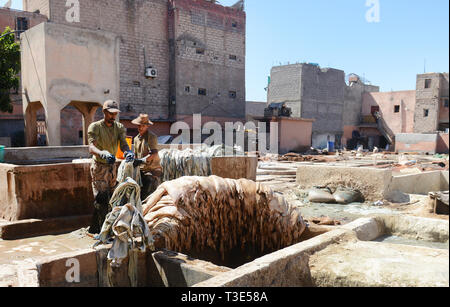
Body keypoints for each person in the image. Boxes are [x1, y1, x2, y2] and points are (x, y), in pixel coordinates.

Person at [87, 100, 135, 234]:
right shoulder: (95, 127)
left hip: (112, 167)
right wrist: (102, 152)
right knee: (101, 199)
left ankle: (98, 228)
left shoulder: (118, 127)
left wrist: (128, 152)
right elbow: (91, 147)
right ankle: (102, 232)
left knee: (113, 199)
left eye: (115, 114)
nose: (113, 116)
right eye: (111, 113)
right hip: (99, 167)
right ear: (104, 112)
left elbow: (124, 144)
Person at [131, 114, 162, 200]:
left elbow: (153, 154)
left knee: (148, 197)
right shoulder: (136, 139)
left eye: (143, 126)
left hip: (152, 171)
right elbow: (136, 154)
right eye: (139, 125)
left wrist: (141, 161)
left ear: (147, 126)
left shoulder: (151, 137)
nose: (140, 128)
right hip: (141, 171)